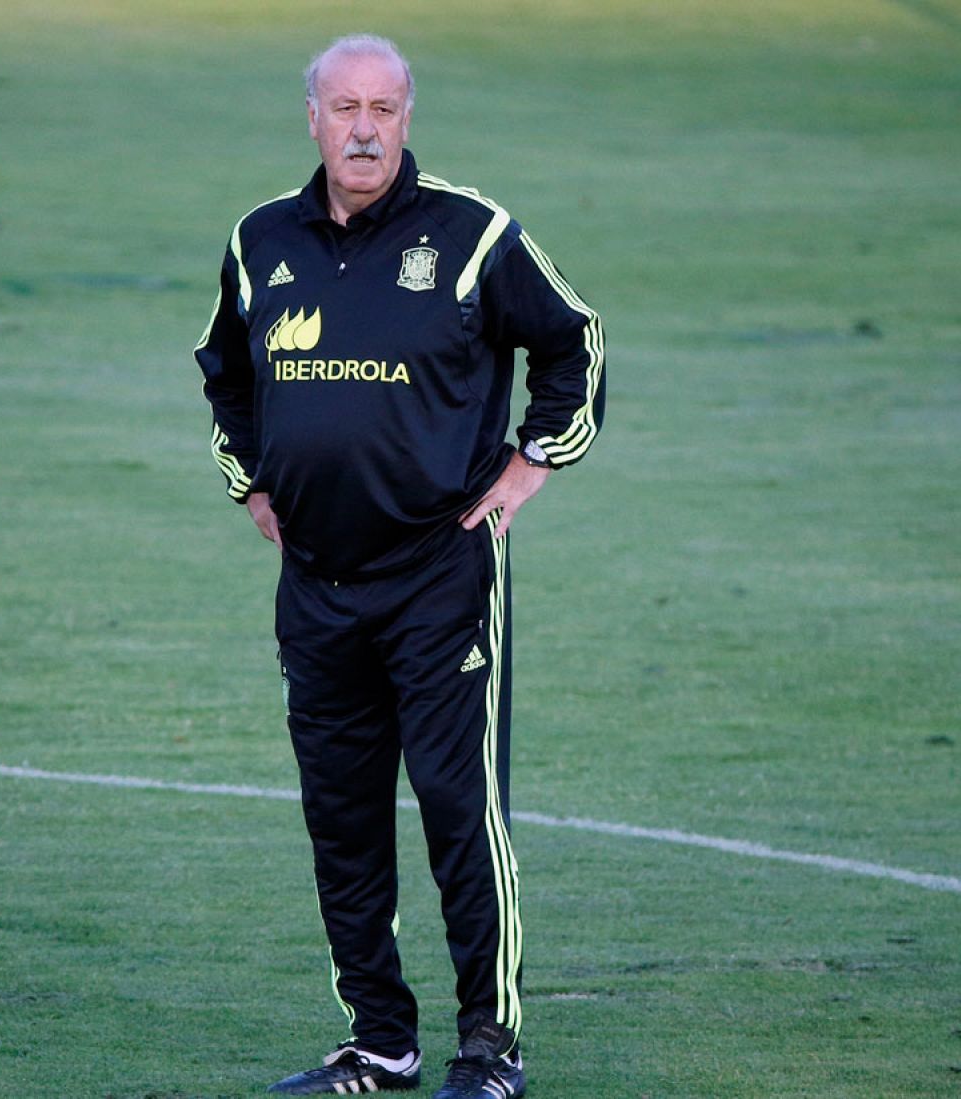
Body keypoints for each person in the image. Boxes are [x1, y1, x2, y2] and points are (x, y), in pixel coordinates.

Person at [193, 33, 604, 1099]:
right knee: (340, 814)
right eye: (343, 107)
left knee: (458, 809)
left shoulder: (473, 238)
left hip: (439, 576)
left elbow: (575, 344)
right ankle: (380, 1044)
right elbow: (224, 374)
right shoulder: (259, 239)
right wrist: (249, 479)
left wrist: (528, 467)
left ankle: (489, 1049)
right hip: (316, 586)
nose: (363, 128)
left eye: (382, 107)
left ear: (408, 116)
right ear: (314, 119)